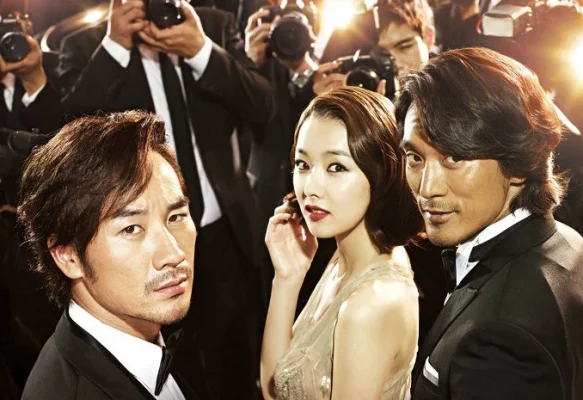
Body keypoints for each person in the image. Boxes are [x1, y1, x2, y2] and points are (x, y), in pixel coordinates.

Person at [57, 1, 275, 397]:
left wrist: (200, 50)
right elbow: (68, 136)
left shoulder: (214, 26)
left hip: (222, 233)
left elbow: (263, 105)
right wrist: (115, 46)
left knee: (236, 361)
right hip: (143, 248)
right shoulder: (86, 45)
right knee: (171, 366)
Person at [396, 47, 583, 399]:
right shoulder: (566, 241)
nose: (427, 188)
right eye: (415, 157)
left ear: (518, 163)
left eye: (454, 157)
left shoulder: (499, 340)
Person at [19, 111, 199, 400]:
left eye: (176, 217)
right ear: (68, 256)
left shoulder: (154, 330)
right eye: (131, 229)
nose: (173, 253)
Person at [260, 86, 424, 399]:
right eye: (302, 164)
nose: (310, 187)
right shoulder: (346, 256)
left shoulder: (369, 305)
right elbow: (273, 388)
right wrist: (287, 278)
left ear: (381, 173)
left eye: (336, 167)